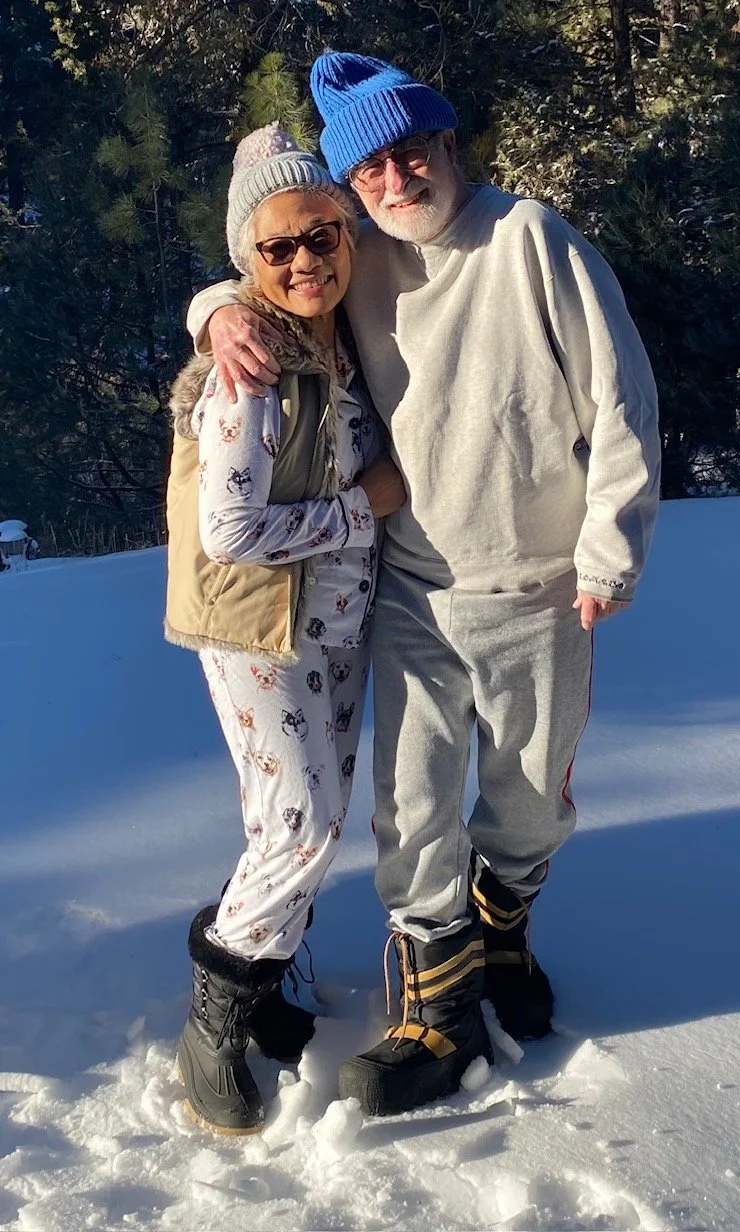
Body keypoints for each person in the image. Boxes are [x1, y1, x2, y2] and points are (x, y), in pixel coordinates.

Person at [187, 53, 661, 1118]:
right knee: (409, 805)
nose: (396, 180)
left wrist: (610, 549)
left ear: (449, 144)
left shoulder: (530, 238)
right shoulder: (358, 259)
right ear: (353, 191)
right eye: (370, 170)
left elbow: (623, 400)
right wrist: (214, 309)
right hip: (409, 585)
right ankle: (435, 1008)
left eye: (411, 153)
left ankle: (504, 931)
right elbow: (267, 268)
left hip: (538, 585)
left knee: (529, 797)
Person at [165, 121, 406, 1132]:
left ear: (350, 234)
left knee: (299, 825)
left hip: (334, 626)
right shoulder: (252, 364)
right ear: (248, 259)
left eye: (323, 234)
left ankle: (256, 990)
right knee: (302, 825)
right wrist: (365, 507)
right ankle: (212, 1022)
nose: (305, 259)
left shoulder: (346, 333)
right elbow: (229, 534)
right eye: (278, 246)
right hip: (261, 630)